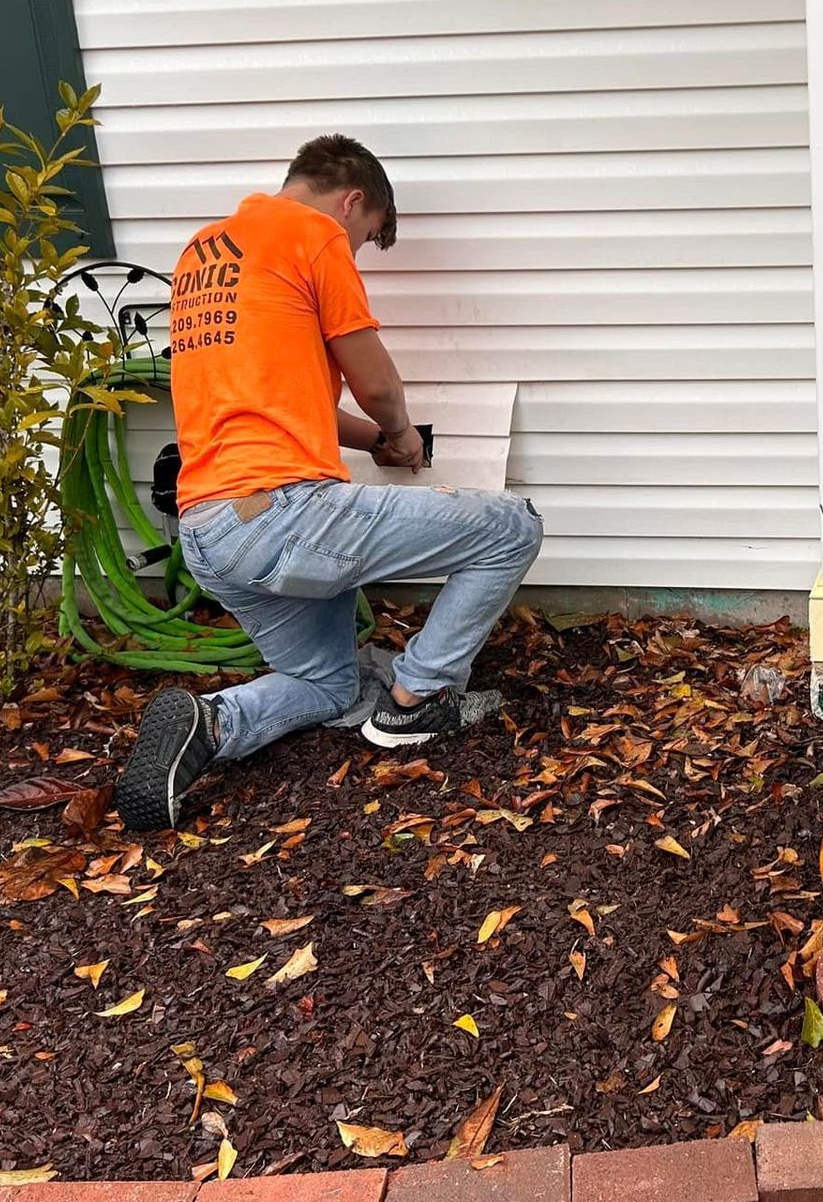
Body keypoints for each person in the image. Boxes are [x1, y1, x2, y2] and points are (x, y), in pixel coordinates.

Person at [117, 135, 543, 832]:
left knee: (325, 684)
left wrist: (372, 443)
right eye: (367, 233)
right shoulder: (312, 235)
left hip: (210, 531)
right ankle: (417, 700)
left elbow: (295, 401)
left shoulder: (204, 252)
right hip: (282, 515)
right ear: (351, 202)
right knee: (510, 528)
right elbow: (376, 382)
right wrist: (400, 433)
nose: (357, 246)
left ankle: (212, 725)